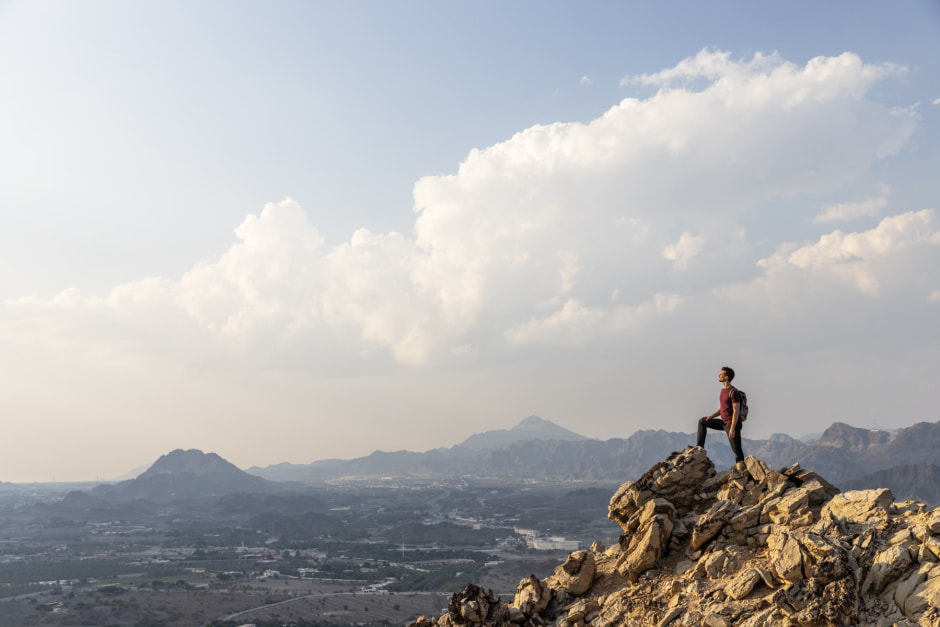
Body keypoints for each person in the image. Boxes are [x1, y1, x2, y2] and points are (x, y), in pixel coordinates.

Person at [696, 366, 745, 464]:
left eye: (721, 374)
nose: (719, 375)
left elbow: (736, 411)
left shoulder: (733, 392)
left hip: (732, 423)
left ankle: (742, 471)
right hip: (723, 422)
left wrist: (732, 428)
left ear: (726, 377)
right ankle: (698, 450)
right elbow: (723, 408)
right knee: (702, 422)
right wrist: (711, 416)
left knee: (736, 450)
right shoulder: (723, 391)